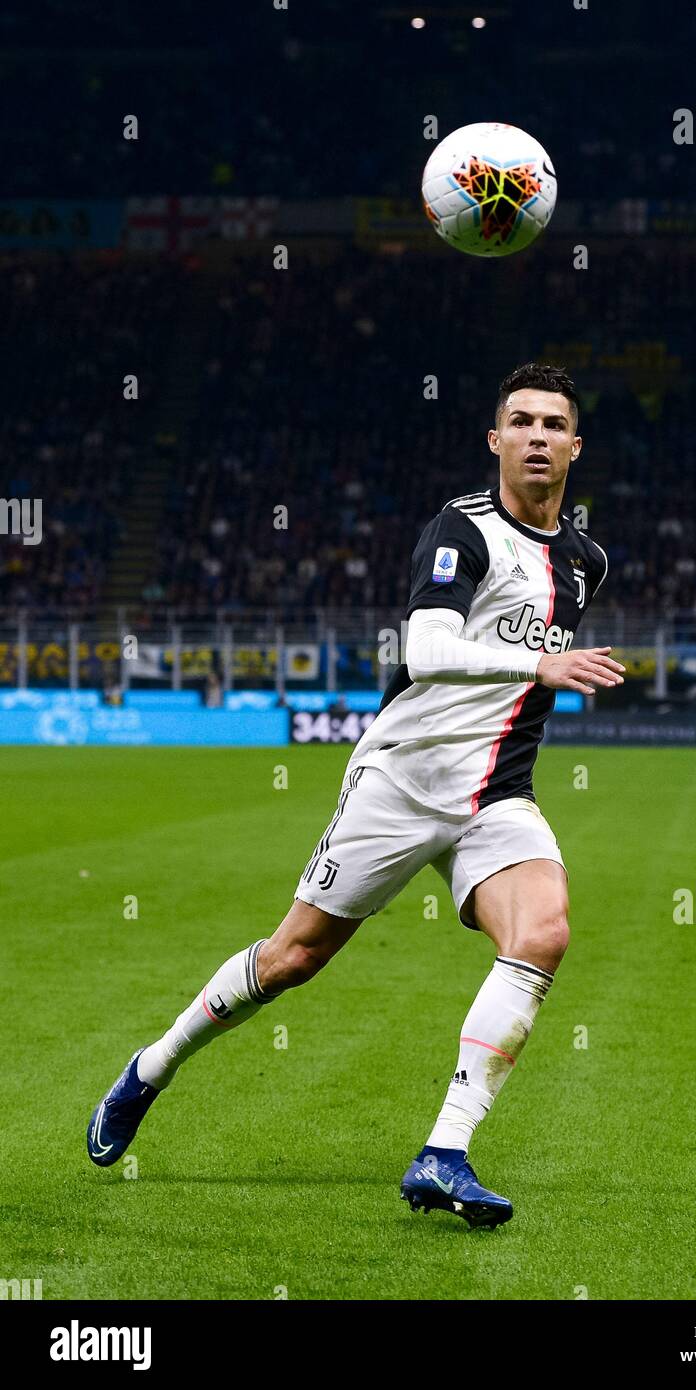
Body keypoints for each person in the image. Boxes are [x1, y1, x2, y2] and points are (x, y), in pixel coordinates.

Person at [87, 363, 625, 1229]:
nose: (534, 436)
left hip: (495, 796)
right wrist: (538, 662)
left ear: (573, 446)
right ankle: (151, 1068)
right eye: (518, 421)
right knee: (293, 958)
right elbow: (425, 645)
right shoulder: (460, 530)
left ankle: (443, 1153)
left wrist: (534, 680)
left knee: (544, 933)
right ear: (494, 441)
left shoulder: (586, 562)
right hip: (401, 781)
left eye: (551, 424)